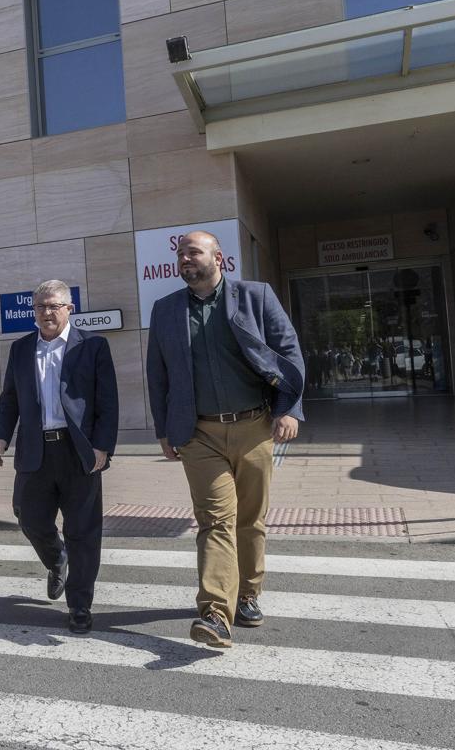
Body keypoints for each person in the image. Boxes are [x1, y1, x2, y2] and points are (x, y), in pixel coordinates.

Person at [146, 230, 305, 649]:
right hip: (199, 434)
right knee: (215, 521)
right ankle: (216, 612)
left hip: (255, 426)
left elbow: (288, 349)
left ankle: (249, 593)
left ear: (219, 258)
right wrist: (164, 430)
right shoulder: (164, 311)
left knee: (251, 520)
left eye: (193, 253)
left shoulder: (255, 296)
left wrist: (290, 410)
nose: (185, 260)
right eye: (181, 255)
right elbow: (157, 375)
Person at [0, 280, 118, 635]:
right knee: (28, 517)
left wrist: (103, 446)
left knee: (83, 532)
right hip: (35, 450)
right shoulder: (21, 349)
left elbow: (108, 401)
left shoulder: (93, 346)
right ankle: (56, 558)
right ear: (34, 311)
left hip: (79, 452)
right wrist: (1, 435)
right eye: (41, 307)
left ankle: (79, 605)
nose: (47, 312)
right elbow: (10, 399)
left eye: (54, 306)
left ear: (69, 309)